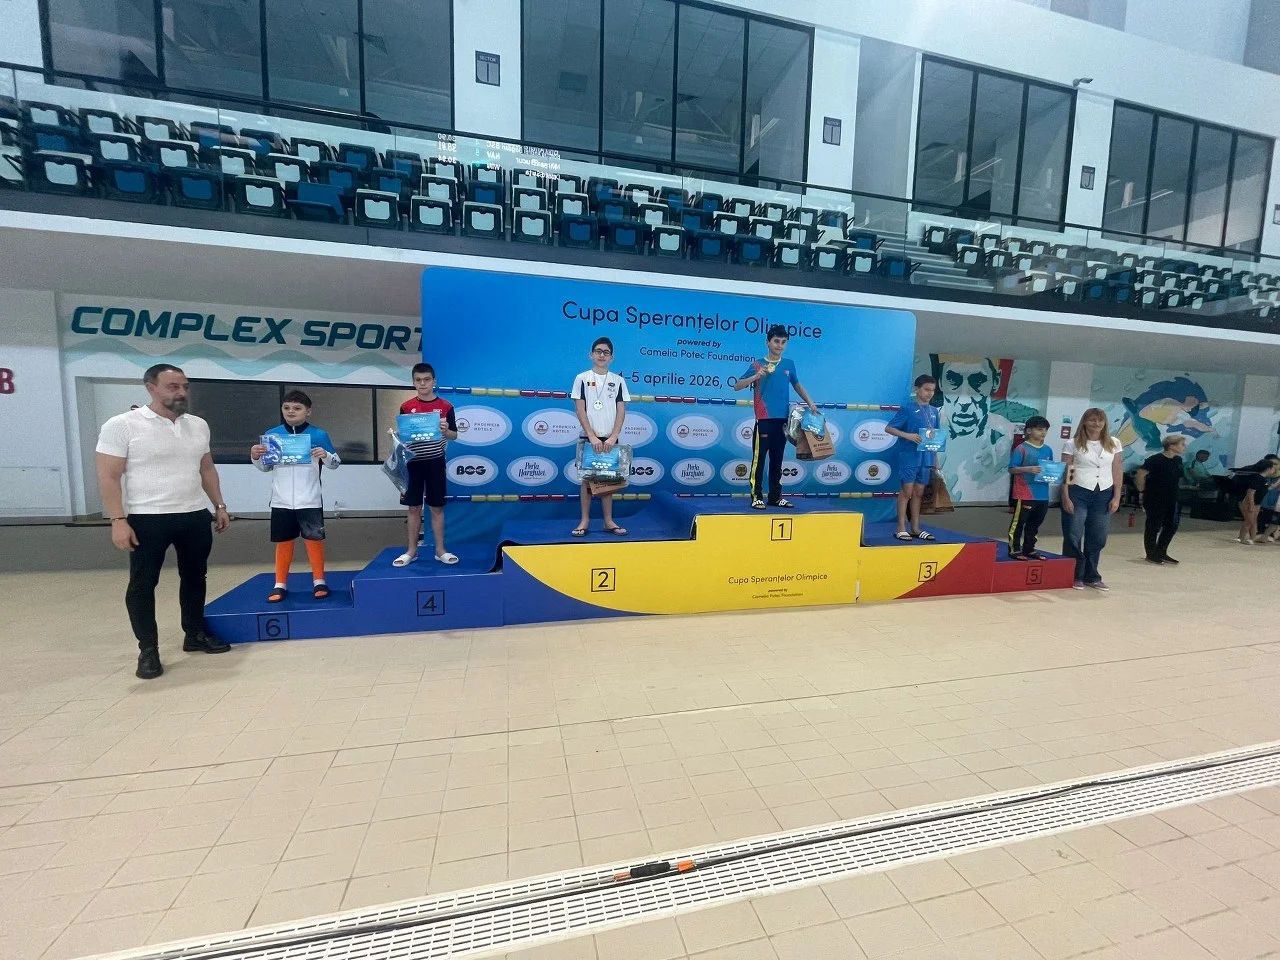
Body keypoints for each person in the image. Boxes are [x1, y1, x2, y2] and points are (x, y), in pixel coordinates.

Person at [95, 363, 230, 680]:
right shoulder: (122, 425)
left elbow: (206, 468)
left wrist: (219, 505)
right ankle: (148, 650)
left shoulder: (198, 425)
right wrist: (118, 520)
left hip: (193, 515)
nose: (181, 392)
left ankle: (194, 634)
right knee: (143, 584)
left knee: (195, 577)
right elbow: (108, 476)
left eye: (185, 386)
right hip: (147, 518)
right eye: (173, 387)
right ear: (150, 387)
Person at [249, 389, 341, 601]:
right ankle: (280, 584)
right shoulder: (272, 435)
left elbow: (335, 463)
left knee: (314, 540)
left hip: (310, 499)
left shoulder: (319, 435)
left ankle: (319, 581)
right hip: (281, 500)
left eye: (297, 408)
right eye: (287, 407)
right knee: (283, 541)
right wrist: (255, 456)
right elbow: (265, 468)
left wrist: (325, 455)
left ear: (308, 411)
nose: (291, 412)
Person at [734, 324, 819, 510]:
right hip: (764, 420)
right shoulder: (757, 364)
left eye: (783, 342)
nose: (779, 345)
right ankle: (756, 497)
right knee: (759, 461)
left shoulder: (789, 364)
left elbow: (797, 386)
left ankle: (775, 497)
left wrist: (811, 403)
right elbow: (737, 385)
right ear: (768, 342)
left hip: (783, 421)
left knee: (777, 460)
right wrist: (756, 376)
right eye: (776, 341)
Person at [394, 362, 458, 567]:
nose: (423, 383)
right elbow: (403, 436)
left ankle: (440, 551)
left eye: (426, 379)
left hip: (435, 463)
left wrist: (446, 431)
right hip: (412, 463)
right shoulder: (406, 406)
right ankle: (411, 551)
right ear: (413, 382)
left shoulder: (446, 406)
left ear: (434, 382)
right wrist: (396, 435)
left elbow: (454, 435)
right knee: (413, 507)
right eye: (418, 380)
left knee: (436, 508)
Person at [571, 337, 631, 536]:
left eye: (606, 352)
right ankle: (584, 521)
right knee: (587, 480)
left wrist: (613, 436)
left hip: (610, 439)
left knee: (608, 479)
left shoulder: (618, 381)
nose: (602, 355)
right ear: (591, 355)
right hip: (589, 437)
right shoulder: (581, 378)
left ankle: (608, 521)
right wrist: (591, 435)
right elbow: (580, 409)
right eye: (598, 351)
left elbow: (621, 410)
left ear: (611, 357)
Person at [1060, 408, 1124, 591]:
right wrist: (1065, 495)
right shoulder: (1072, 443)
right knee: (1073, 533)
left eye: (1100, 420)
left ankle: (1092, 575)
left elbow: (1117, 469)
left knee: (1098, 536)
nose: (1096, 424)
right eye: (1092, 420)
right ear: (1085, 422)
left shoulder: (1114, 443)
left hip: (1103, 492)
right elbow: (1067, 470)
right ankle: (1074, 574)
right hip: (1078, 491)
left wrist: (1117, 496)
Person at [885, 375, 942, 541]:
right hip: (909, 457)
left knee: (919, 493)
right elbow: (889, 428)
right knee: (907, 492)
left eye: (932, 390)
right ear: (917, 389)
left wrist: (936, 460)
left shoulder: (934, 412)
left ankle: (916, 528)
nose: (930, 393)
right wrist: (908, 435)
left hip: (926, 458)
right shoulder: (908, 409)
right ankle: (901, 528)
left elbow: (935, 437)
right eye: (926, 389)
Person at [1007, 415, 1055, 560]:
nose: (1043, 432)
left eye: (1045, 430)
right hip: (1024, 493)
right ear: (1029, 431)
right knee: (1019, 523)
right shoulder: (1021, 448)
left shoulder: (1048, 450)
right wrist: (1028, 469)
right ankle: (1014, 549)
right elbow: (1011, 469)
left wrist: (1054, 474)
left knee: (1035, 524)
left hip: (1043, 494)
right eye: (1039, 429)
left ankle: (1029, 548)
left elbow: (1050, 468)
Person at [1135, 435, 1187, 565]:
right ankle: (1151, 553)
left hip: (1172, 497)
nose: (1183, 447)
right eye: (1181, 444)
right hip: (1155, 496)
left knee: (1171, 525)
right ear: (1171, 445)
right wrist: (1142, 491)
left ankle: (1161, 551)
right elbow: (1141, 475)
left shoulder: (1178, 460)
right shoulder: (1155, 459)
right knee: (1154, 525)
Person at [1229, 458, 1279, 544]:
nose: (1274, 470)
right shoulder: (1257, 478)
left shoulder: (1264, 479)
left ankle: (1251, 538)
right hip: (1249, 502)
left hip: (1257, 503)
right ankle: (1241, 538)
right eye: (1273, 468)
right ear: (1268, 468)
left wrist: (1277, 484)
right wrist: (1251, 505)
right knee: (1249, 521)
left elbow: (1267, 489)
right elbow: (1250, 492)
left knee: (1253, 521)